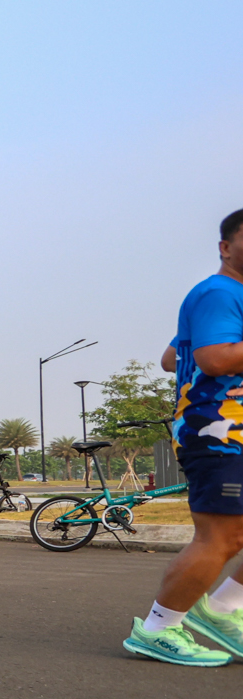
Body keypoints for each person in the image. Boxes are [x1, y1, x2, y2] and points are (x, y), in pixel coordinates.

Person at [124, 208, 243, 665]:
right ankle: (158, 629)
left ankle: (225, 609)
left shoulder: (224, 298)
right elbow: (214, 359)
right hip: (220, 433)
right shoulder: (220, 291)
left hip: (229, 429)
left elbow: (172, 357)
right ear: (226, 247)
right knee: (220, 537)